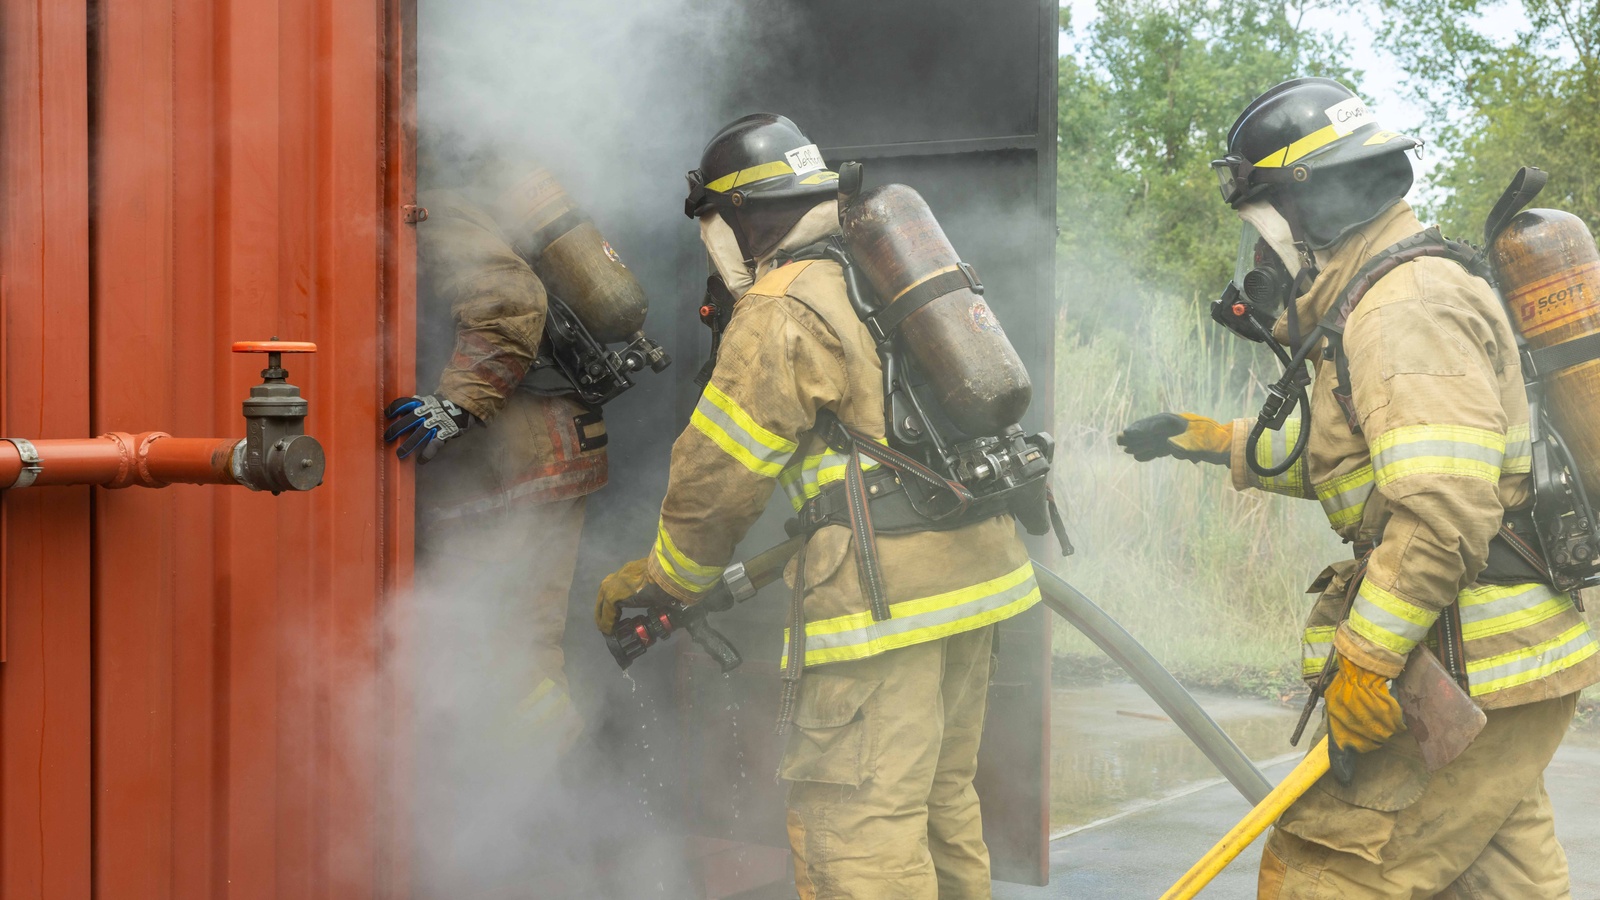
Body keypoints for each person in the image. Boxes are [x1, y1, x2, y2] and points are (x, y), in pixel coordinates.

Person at [1120, 77, 1598, 897]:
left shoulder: (1400, 309)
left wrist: (1366, 659)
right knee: (1498, 883)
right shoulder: (1387, 295)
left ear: (1309, 205)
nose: (1263, 254)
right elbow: (1370, 463)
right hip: (1498, 670)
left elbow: (1442, 508)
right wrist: (1215, 441)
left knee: (1326, 869)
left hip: (1457, 661)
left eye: (1267, 223)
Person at [594, 113, 1039, 899]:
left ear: (734, 217)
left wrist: (667, 583)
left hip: (885, 611)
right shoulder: (872, 270)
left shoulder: (782, 304)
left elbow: (717, 477)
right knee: (938, 807)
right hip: (975, 583)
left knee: (857, 833)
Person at [387, 153, 637, 752]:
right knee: (523, 636)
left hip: (516, 464)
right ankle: (556, 769)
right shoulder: (484, 203)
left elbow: (511, 297)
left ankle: (552, 768)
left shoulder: (440, 212)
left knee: (489, 637)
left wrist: (458, 403)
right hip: (551, 454)